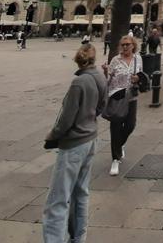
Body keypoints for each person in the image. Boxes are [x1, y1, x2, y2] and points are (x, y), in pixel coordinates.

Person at [42, 43, 107, 243]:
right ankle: (79, 237)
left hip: (74, 144)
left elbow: (66, 120)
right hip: (90, 138)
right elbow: (101, 107)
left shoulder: (79, 83)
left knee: (57, 201)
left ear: (77, 60)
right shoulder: (100, 77)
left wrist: (53, 136)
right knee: (81, 193)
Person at [103, 35, 143, 175]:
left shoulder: (138, 59)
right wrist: (104, 71)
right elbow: (108, 79)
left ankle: (119, 145)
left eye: (128, 44)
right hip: (116, 96)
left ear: (133, 45)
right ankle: (115, 159)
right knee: (116, 127)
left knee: (131, 125)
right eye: (123, 44)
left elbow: (141, 76)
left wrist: (137, 78)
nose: (125, 47)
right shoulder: (115, 60)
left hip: (131, 97)